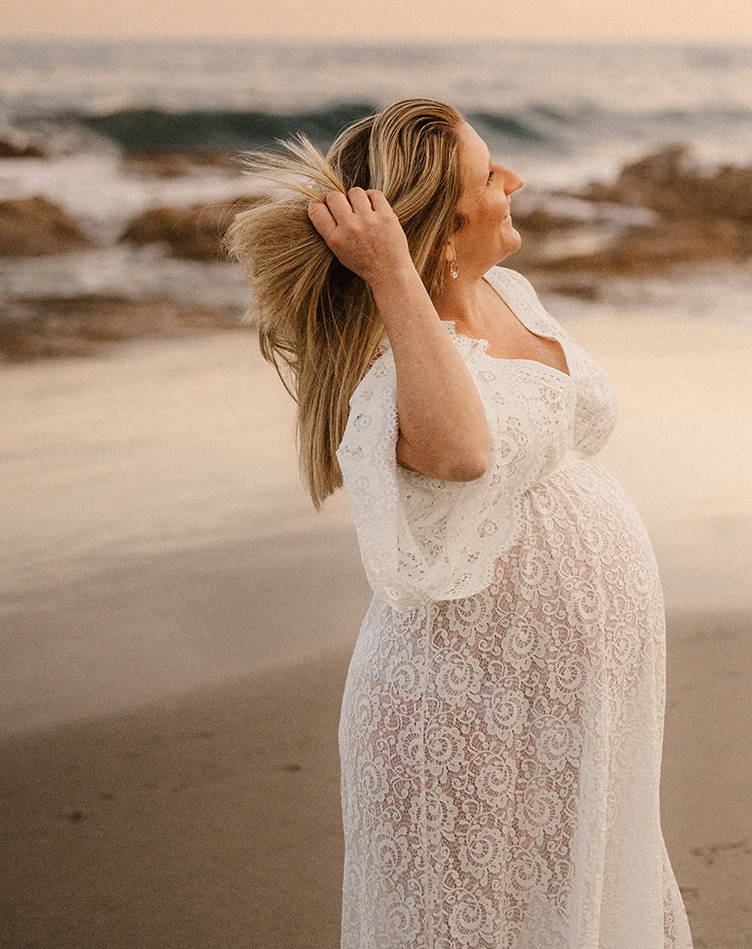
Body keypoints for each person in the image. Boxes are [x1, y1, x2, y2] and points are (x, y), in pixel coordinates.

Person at [228, 98, 692, 949]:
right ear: (438, 230)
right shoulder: (392, 358)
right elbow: (463, 452)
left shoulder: (509, 292)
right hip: (458, 714)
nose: (516, 181)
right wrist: (394, 275)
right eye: (489, 175)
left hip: (573, 707)